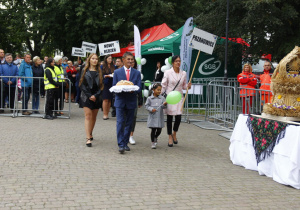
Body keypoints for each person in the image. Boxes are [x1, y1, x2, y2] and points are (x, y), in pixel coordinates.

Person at [112, 52, 141, 154]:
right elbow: (114, 86)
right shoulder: (117, 72)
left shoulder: (136, 73)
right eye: (128, 59)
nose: (130, 61)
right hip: (120, 100)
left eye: (131, 59)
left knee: (129, 123)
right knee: (120, 122)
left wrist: (134, 90)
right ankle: (120, 144)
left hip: (131, 101)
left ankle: (125, 143)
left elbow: (139, 87)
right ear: (123, 60)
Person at [161, 55, 191, 147]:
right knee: (170, 117)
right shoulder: (167, 72)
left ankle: (174, 133)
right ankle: (170, 136)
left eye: (179, 61)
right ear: (173, 63)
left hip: (179, 97)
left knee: (178, 117)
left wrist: (188, 86)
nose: (178, 62)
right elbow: (164, 84)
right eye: (176, 61)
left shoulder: (183, 73)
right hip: (170, 97)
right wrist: (160, 96)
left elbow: (184, 86)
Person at [79, 53, 103, 147]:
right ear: (89, 60)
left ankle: (90, 132)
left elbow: (102, 86)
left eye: (96, 59)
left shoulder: (99, 71)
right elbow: (81, 84)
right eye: (93, 58)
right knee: (88, 116)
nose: (94, 60)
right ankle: (88, 138)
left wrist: (96, 95)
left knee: (93, 117)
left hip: (97, 96)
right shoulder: (84, 70)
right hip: (86, 96)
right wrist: (89, 95)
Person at [145, 83, 167, 149]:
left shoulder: (162, 98)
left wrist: (165, 104)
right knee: (153, 130)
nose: (159, 91)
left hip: (159, 117)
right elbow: (146, 106)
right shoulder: (149, 98)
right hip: (153, 116)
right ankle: (153, 142)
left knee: (159, 130)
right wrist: (151, 109)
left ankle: (156, 137)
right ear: (153, 90)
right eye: (158, 90)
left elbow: (163, 107)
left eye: (160, 90)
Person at [100, 55, 116, 119]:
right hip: (105, 84)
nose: (110, 59)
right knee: (105, 99)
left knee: (110, 99)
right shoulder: (102, 66)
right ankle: (104, 114)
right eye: (109, 58)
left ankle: (107, 113)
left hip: (111, 83)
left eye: (111, 58)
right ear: (106, 59)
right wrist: (105, 76)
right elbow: (100, 75)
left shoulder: (114, 67)